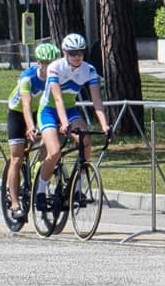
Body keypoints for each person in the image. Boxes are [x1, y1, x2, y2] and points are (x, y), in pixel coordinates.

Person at [34, 33, 110, 212]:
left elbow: (97, 101)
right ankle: (40, 191)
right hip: (49, 110)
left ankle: (77, 189)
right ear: (64, 52)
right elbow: (58, 98)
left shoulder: (89, 70)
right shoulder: (55, 67)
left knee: (85, 142)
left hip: (70, 110)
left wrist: (105, 125)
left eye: (80, 53)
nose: (77, 56)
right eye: (73, 53)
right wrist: (64, 123)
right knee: (54, 153)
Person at [4, 42, 59, 219]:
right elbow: (26, 105)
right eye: (46, 63)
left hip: (40, 111)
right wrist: (30, 127)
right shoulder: (27, 77)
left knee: (49, 142)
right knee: (17, 157)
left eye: (53, 63)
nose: (49, 67)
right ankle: (14, 202)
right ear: (38, 63)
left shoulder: (56, 78)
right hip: (18, 113)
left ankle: (39, 169)